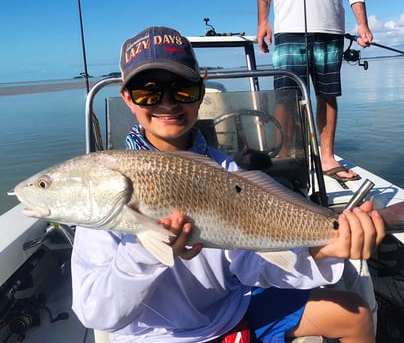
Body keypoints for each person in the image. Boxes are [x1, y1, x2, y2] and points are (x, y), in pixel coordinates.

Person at [71, 26, 385, 343]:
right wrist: (144, 252)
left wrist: (324, 248)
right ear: (127, 98)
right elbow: (98, 314)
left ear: (201, 91)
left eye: (183, 89)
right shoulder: (105, 184)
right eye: (147, 91)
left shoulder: (224, 168)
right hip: (154, 335)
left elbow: (251, 262)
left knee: (354, 312)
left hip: (228, 314)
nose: (167, 102)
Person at [257, 0, 373, 181]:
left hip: (330, 28)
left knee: (327, 94)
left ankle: (327, 158)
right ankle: (283, 156)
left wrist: (362, 24)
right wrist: (263, 21)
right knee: (285, 97)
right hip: (288, 28)